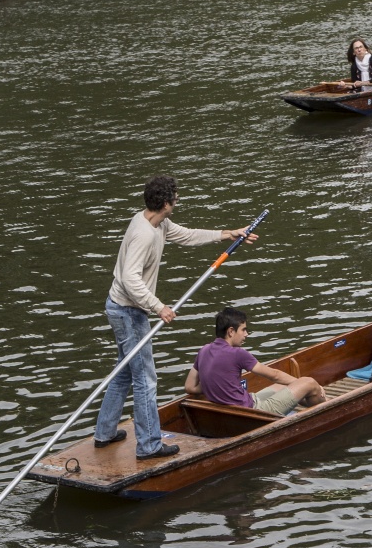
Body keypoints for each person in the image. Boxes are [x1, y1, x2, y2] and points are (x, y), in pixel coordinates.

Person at [94, 176, 258, 460]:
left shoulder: (156, 222)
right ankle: (149, 446)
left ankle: (105, 433)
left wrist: (227, 233)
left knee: (123, 374)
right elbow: (130, 279)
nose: (177, 202)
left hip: (123, 307)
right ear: (166, 203)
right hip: (128, 311)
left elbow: (187, 235)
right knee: (146, 379)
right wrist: (158, 306)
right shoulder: (143, 234)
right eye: (176, 198)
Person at [186, 307, 327, 416]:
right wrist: (301, 383)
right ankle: (324, 407)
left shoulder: (203, 350)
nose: (246, 334)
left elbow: (190, 387)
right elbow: (274, 375)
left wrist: (216, 386)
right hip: (253, 412)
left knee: (279, 387)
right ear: (230, 331)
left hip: (239, 406)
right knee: (309, 382)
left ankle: (308, 398)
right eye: (243, 330)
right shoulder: (237, 353)